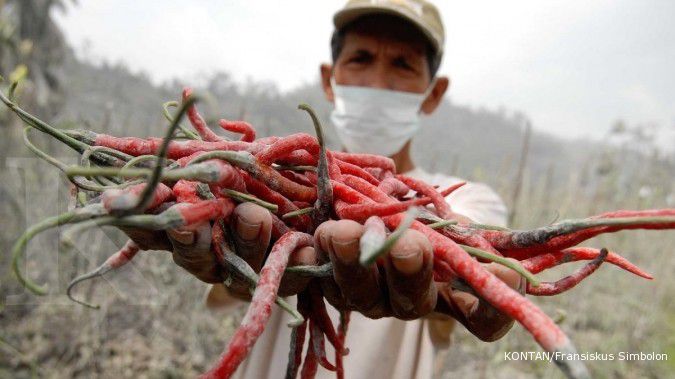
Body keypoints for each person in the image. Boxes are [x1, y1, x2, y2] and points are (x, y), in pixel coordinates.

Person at [124, 1, 522, 378]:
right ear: (329, 80)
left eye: (402, 64)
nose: (378, 83)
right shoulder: (277, 179)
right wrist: (233, 261)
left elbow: (471, 236)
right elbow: (237, 275)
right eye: (360, 59)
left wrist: (453, 254)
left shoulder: (462, 195)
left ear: (433, 93)